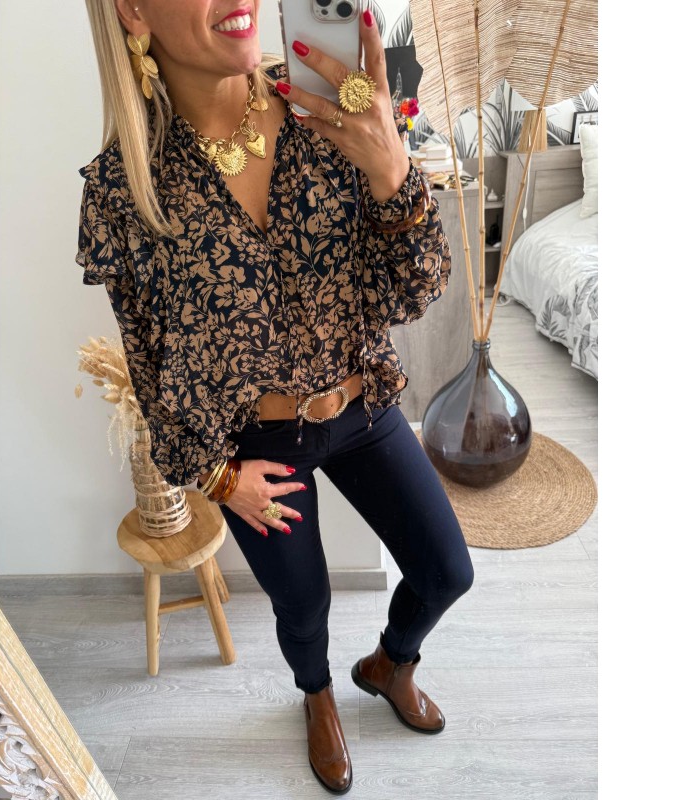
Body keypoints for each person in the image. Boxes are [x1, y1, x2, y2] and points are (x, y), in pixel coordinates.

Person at [76, 1, 475, 793]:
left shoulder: (329, 113)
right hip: (260, 446)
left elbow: (413, 291)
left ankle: (391, 664)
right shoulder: (127, 189)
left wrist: (392, 173)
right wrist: (218, 478)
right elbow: (152, 366)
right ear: (133, 11)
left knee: (446, 570)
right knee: (303, 603)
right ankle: (316, 695)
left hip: (361, 409)